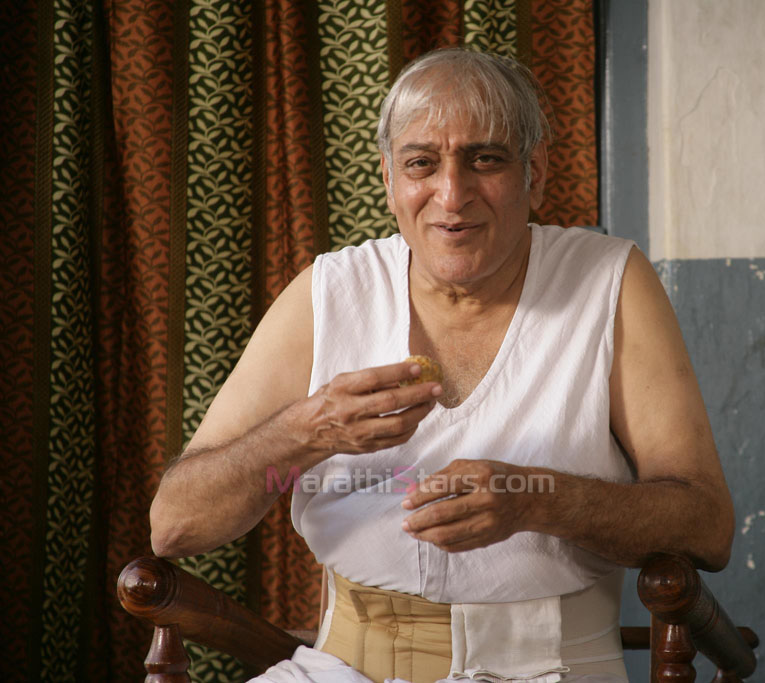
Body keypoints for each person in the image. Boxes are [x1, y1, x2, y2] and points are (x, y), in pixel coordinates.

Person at [150, 48, 734, 683]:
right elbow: (175, 526)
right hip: (341, 669)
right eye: (421, 164)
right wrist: (306, 431)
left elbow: (707, 525)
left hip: (552, 667)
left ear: (535, 172)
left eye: (485, 160)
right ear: (389, 180)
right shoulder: (329, 293)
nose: (451, 195)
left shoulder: (610, 282)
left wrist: (539, 502)